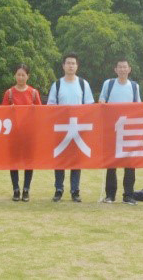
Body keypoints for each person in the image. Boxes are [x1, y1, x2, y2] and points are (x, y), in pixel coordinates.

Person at [47, 53, 94, 203]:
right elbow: (51, 106)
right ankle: (58, 189)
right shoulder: (57, 84)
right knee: (59, 160)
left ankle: (75, 190)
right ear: (63, 66)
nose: (71, 66)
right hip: (61, 128)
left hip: (78, 128)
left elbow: (89, 106)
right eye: (68, 63)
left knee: (76, 161)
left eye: (73, 63)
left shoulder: (83, 84)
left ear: (77, 66)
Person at [98, 59, 141, 205]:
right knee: (111, 162)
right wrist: (102, 103)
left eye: (125, 67)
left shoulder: (134, 86)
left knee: (130, 163)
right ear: (115, 69)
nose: (122, 69)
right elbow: (102, 100)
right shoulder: (109, 84)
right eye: (120, 67)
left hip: (129, 129)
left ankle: (128, 195)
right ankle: (110, 195)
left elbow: (139, 106)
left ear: (129, 69)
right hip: (112, 128)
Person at [2, 64, 41, 202]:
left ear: (28, 76)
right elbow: (2, 113)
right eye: (18, 74)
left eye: (23, 75)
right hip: (13, 134)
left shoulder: (34, 93)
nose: (20, 77)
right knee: (13, 161)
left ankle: (26, 189)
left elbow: (40, 113)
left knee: (29, 161)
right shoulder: (9, 93)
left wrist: (33, 110)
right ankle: (16, 189)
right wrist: (10, 110)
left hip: (29, 134)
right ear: (15, 75)